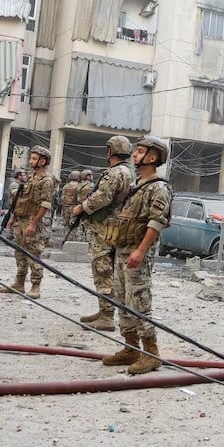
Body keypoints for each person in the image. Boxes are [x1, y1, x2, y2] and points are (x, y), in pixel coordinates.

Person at [101, 136, 172, 374]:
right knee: (122, 301)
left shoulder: (158, 187)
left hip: (136, 254)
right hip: (122, 251)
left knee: (139, 302)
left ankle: (151, 353)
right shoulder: (137, 185)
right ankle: (130, 347)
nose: (135, 154)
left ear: (152, 157)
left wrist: (141, 251)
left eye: (140, 151)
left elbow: (156, 221)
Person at [71, 136, 134, 331]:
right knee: (107, 268)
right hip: (115, 226)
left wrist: (81, 208)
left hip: (105, 228)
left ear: (110, 151)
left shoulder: (115, 172)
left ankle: (107, 316)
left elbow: (102, 197)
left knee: (102, 268)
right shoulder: (128, 172)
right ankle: (104, 310)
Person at [0, 145, 55, 299]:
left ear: (43, 161)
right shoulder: (30, 178)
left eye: (34, 158)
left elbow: (45, 204)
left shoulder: (46, 181)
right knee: (20, 252)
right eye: (31, 158)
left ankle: (35, 286)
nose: (31, 161)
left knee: (34, 253)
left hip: (32, 220)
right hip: (21, 219)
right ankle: (19, 282)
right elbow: (21, 200)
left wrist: (34, 223)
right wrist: (13, 217)